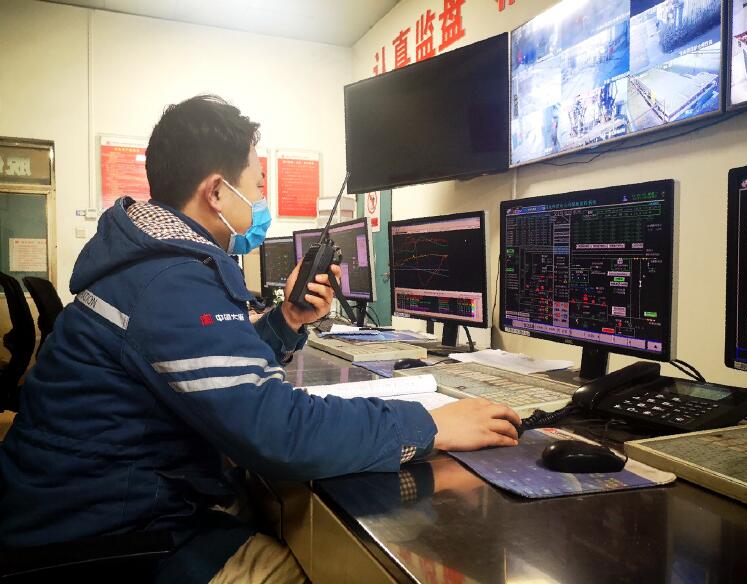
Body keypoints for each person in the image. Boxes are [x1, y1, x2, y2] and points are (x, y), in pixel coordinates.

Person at [0, 95, 521, 582]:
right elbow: (279, 433)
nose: (260, 200)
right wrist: (429, 426)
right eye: (256, 184)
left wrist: (287, 319)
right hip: (107, 538)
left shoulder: (151, 260)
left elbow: (209, 371)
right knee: (313, 566)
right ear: (216, 192)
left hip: (89, 506)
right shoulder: (171, 281)